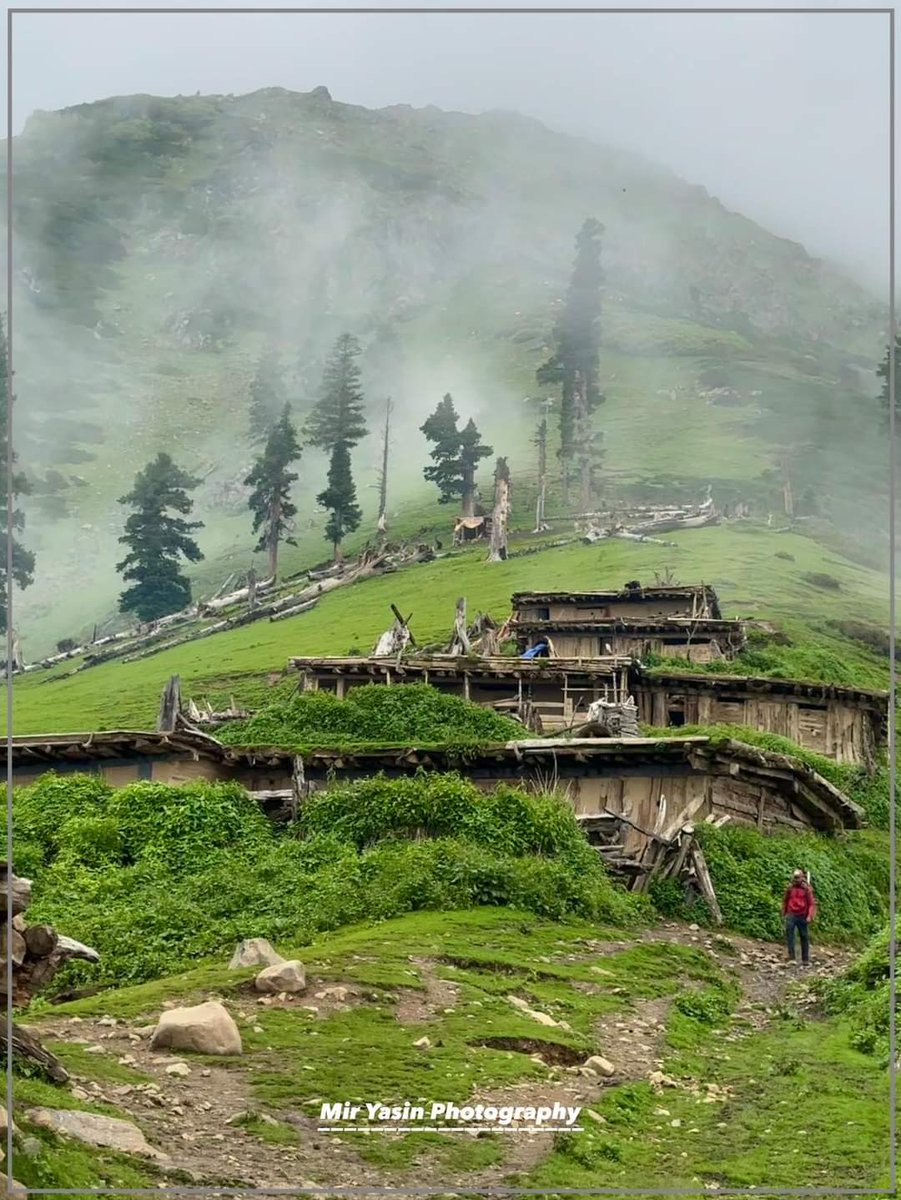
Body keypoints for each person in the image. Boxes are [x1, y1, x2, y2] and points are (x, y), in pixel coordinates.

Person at [782, 869, 816, 966]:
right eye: (795, 878)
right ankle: (791, 957)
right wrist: (784, 912)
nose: (796, 880)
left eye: (797, 878)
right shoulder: (789, 888)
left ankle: (805, 959)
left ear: (802, 878)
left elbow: (811, 904)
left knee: (804, 936)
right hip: (791, 914)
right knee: (790, 935)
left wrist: (810, 916)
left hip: (802, 915)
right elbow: (785, 900)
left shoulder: (807, 889)